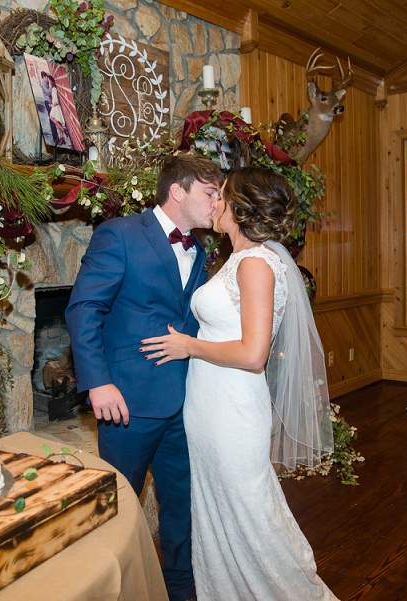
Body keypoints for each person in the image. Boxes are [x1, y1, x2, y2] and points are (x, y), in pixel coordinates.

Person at [141, 167, 339, 600]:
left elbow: (253, 354)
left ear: (240, 207)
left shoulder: (254, 265)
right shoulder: (237, 258)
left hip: (233, 411)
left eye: (221, 196)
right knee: (219, 513)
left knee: (250, 514)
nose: (213, 203)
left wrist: (189, 347)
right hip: (209, 408)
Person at [65, 154, 223, 601]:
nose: (217, 203)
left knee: (182, 506)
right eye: (210, 193)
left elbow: (186, 318)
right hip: (127, 403)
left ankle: (181, 590)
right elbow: (83, 309)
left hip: (185, 399)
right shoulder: (120, 234)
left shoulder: (201, 249)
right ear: (179, 191)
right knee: (118, 509)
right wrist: (98, 382)